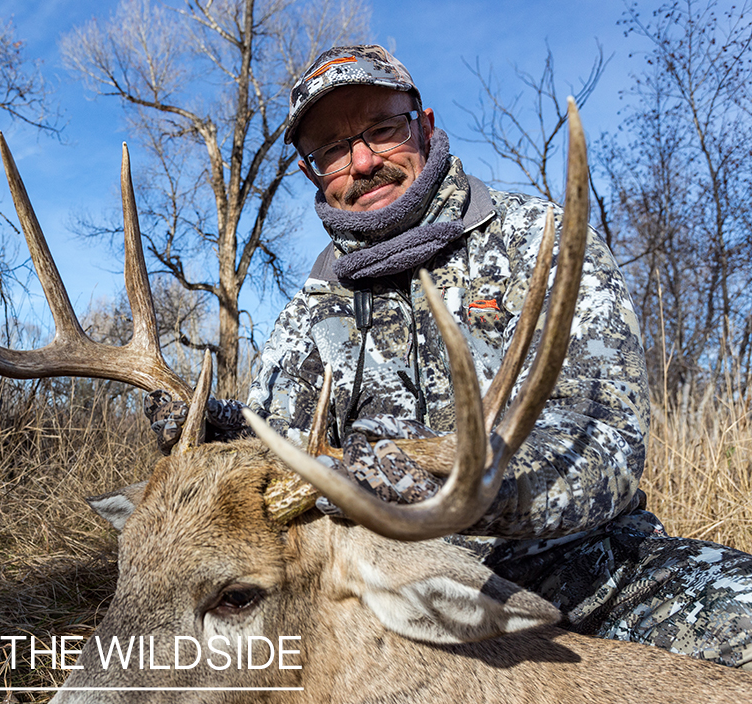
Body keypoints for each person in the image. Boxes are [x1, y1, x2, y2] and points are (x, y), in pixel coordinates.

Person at [147, 44, 752, 670]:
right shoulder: (312, 309)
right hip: (393, 594)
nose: (361, 161)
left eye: (381, 129)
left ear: (424, 125)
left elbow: (607, 443)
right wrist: (225, 440)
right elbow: (284, 474)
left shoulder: (535, 240)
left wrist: (472, 488)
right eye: (331, 149)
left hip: (592, 571)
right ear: (312, 172)